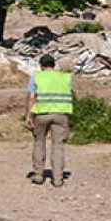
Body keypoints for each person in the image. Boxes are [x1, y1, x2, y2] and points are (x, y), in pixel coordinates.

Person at [25, 54, 74, 187]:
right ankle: (57, 178)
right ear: (54, 64)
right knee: (58, 145)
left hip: (41, 113)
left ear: (41, 65)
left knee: (39, 142)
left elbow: (31, 97)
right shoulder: (66, 77)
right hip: (61, 113)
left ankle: (38, 174)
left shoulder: (36, 76)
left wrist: (28, 116)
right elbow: (71, 94)